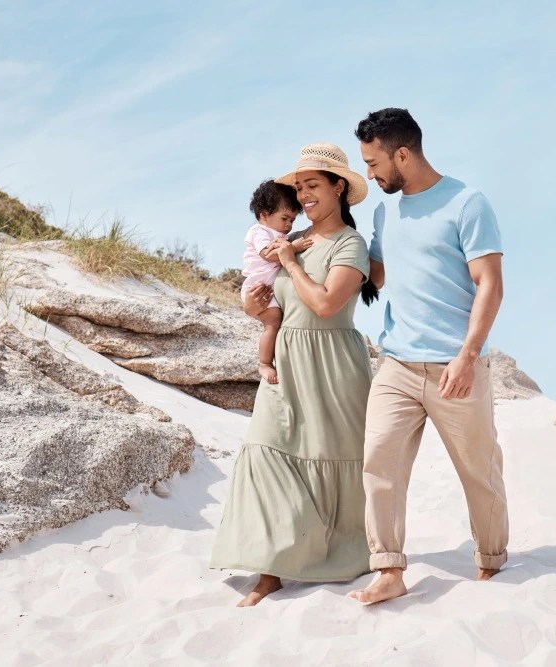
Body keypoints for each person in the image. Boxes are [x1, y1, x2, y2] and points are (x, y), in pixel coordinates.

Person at [349, 108, 509, 604]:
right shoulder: (384, 212)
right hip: (396, 364)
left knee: (478, 470)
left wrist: (468, 356)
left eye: (374, 164)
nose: (371, 176)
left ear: (403, 153)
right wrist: (306, 248)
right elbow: (372, 273)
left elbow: (490, 285)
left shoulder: (466, 203)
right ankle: (389, 569)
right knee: (378, 462)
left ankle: (491, 562)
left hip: (454, 367)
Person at [211, 143, 377, 607]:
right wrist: (252, 305)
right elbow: (274, 302)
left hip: (333, 365)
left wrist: (288, 263)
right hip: (287, 360)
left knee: (331, 457)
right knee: (267, 451)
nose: (303, 196)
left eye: (312, 186)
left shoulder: (350, 244)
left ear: (338, 187)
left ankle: (336, 555)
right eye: (299, 187)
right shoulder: (289, 239)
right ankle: (270, 569)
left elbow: (326, 304)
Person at [241, 180, 313, 384]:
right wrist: (294, 248)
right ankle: (264, 363)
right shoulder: (259, 232)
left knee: (277, 324)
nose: (289, 225)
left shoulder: (281, 234)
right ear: (264, 214)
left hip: (268, 286)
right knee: (272, 324)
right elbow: (268, 254)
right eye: (285, 218)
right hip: (259, 285)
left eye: (292, 220)